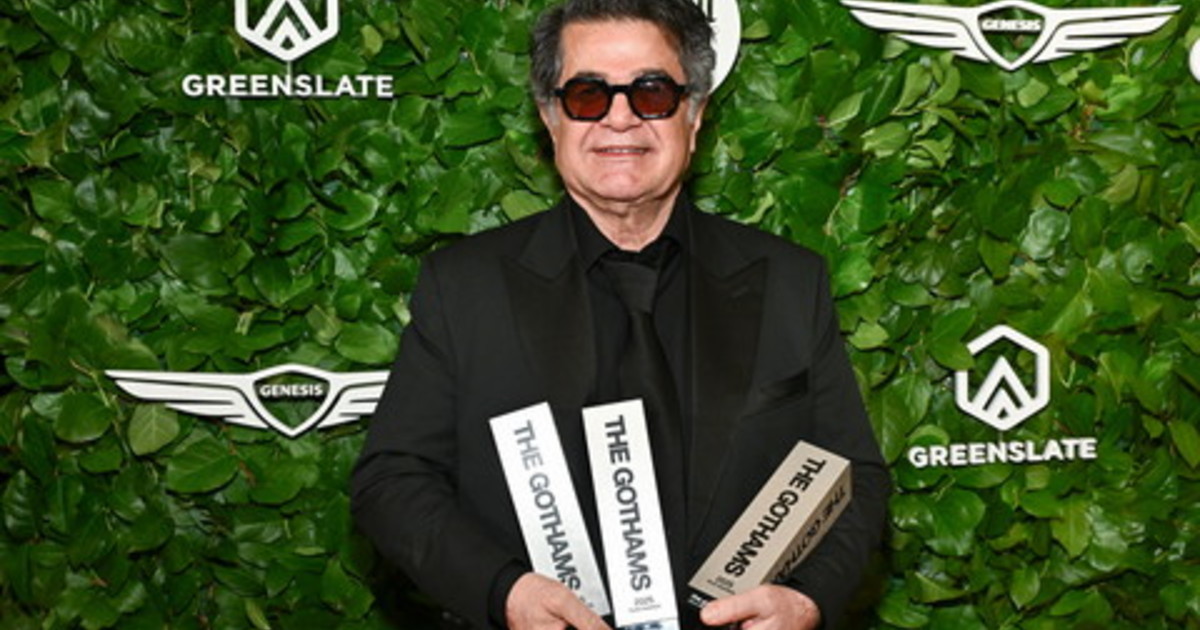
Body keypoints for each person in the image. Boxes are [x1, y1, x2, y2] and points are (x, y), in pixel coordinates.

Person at [351, 0, 890, 628]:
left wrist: (807, 600)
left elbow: (855, 477)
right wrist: (504, 592)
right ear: (549, 116)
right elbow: (393, 480)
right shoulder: (463, 288)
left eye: (651, 93)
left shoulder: (791, 283)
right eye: (587, 95)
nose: (620, 118)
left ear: (694, 115)